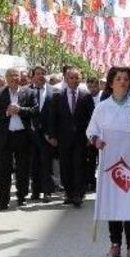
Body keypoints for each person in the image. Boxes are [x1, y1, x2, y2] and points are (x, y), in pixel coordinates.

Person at [86, 66, 130, 257]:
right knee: (113, 204)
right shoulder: (102, 107)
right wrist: (97, 141)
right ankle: (115, 244)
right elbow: (91, 132)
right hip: (110, 164)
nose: (123, 82)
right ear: (111, 83)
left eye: (126, 79)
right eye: (118, 78)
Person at [47, 66, 95, 207]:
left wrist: (90, 136)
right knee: (66, 166)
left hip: (81, 138)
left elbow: (92, 117)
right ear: (66, 79)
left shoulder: (86, 96)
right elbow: (52, 118)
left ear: (80, 79)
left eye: (76, 78)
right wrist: (52, 136)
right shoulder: (58, 95)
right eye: (71, 78)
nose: (74, 80)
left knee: (79, 165)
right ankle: (69, 192)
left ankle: (78, 194)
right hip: (63, 138)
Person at [0, 68, 34, 210]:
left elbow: (35, 110)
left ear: (20, 77)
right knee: (4, 169)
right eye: (10, 75)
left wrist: (20, 110)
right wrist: (6, 112)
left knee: (23, 169)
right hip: (5, 137)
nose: (13, 78)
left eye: (16, 75)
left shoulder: (28, 92)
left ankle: (22, 197)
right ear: (6, 78)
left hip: (22, 135)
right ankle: (2, 200)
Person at [25, 66, 57, 203]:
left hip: (46, 134)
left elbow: (56, 115)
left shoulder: (54, 92)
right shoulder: (26, 91)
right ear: (32, 76)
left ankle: (47, 192)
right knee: (33, 164)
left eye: (43, 73)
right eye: (37, 74)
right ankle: (35, 191)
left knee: (46, 163)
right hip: (30, 134)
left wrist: (52, 134)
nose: (40, 76)